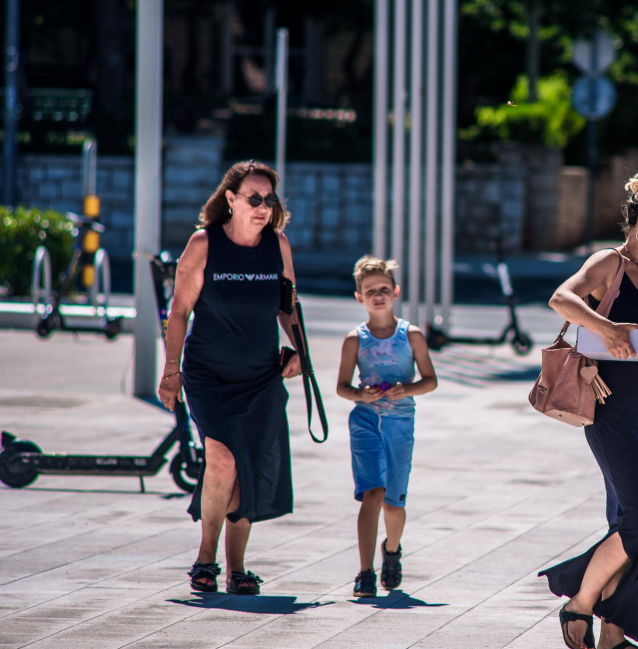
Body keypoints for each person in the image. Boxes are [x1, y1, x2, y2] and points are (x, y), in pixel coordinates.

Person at [539, 171, 638, 649]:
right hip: (607, 404)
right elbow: (561, 299)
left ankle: (614, 638)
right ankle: (579, 603)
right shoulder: (610, 263)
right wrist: (608, 328)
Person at [160, 160, 302, 595]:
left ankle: (237, 566)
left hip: (260, 377)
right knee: (222, 458)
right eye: (253, 199)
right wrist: (171, 372)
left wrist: (298, 351)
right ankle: (206, 559)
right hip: (209, 376)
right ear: (231, 200)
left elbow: (287, 306)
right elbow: (179, 311)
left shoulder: (277, 246)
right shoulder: (204, 244)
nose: (262, 207)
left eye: (269, 200)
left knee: (249, 467)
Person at [336, 256, 438, 598]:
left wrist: (406, 389)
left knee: (394, 503)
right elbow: (342, 387)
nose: (377, 295)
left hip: (400, 423)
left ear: (395, 292)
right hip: (365, 421)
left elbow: (430, 381)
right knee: (372, 494)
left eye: (383, 289)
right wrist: (359, 394)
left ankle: (391, 550)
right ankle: (365, 572)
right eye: (369, 291)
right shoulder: (354, 339)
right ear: (359, 297)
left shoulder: (411, 335)